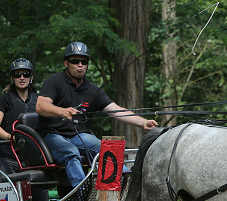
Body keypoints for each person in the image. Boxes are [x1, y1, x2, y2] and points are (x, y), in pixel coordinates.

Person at [35, 41, 157, 188]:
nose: (80, 64)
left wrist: (143, 122)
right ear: (66, 63)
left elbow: (117, 110)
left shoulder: (92, 89)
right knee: (71, 153)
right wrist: (62, 111)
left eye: (84, 61)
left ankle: (125, 187)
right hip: (52, 136)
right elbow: (41, 106)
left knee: (108, 149)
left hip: (78, 136)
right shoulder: (54, 81)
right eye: (75, 61)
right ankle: (83, 195)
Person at [0, 58, 48, 201]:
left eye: (26, 74)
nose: (22, 78)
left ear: (31, 77)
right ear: (12, 78)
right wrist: (11, 137)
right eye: (17, 74)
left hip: (31, 160)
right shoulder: (5, 99)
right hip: (6, 157)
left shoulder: (38, 100)